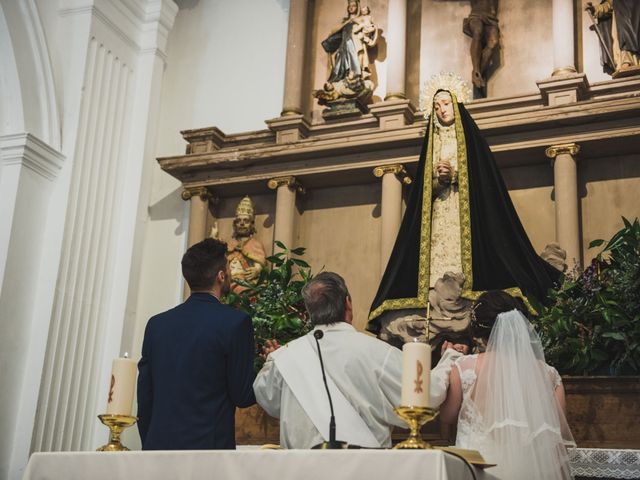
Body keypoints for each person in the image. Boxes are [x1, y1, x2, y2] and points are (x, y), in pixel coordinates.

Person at [368, 81, 560, 337]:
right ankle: (436, 296)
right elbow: (422, 195)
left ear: (456, 106)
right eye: (436, 107)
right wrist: (437, 180)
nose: (441, 110)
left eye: (446, 104)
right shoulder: (432, 144)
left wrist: (456, 175)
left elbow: (483, 181)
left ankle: (466, 293)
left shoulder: (470, 141)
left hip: (466, 214)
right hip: (439, 213)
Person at [253, 272, 463, 448]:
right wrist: (449, 359)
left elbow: (267, 397)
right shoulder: (376, 351)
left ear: (309, 312)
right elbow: (428, 392)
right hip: (362, 469)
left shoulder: (288, 356)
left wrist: (280, 360)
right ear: (348, 303)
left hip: (299, 470)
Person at [439, 290, 575, 480]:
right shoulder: (549, 375)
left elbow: (447, 416)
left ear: (480, 331)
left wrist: (445, 362)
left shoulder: (463, 367)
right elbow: (557, 428)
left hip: (478, 470)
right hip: (532, 471)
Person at [137, 238, 256, 450]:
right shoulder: (235, 323)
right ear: (221, 276)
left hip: (158, 449)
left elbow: (145, 398)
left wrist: (150, 445)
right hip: (208, 454)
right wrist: (272, 366)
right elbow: (243, 395)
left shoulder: (157, 325)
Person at [225, 196, 267, 293]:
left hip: (247, 283)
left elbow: (260, 263)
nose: (242, 224)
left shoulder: (255, 244)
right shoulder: (229, 244)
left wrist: (257, 270)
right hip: (229, 282)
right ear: (235, 224)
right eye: (239, 221)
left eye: (246, 221)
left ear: (252, 224)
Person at [587, 0, 640, 75]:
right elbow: (608, 5)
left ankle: (635, 61)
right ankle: (626, 61)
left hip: (636, 24)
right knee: (624, 39)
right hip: (622, 22)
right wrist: (594, 9)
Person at [463, 0, 500, 89]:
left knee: (494, 43)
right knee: (477, 32)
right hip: (476, 15)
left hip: (491, 19)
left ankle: (478, 72)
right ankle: (476, 69)